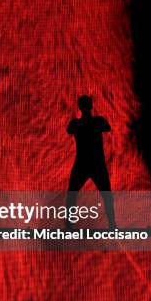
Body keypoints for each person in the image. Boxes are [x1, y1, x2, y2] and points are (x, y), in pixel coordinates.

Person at [66, 95, 116, 229]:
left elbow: (107, 127)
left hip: (87, 164)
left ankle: (69, 225)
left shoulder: (78, 123)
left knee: (72, 194)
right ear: (91, 106)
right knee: (106, 195)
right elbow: (107, 127)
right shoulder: (94, 122)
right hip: (93, 164)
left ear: (80, 107)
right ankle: (112, 224)